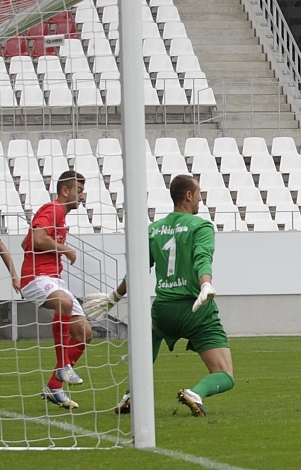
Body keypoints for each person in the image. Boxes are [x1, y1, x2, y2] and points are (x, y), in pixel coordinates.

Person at [83, 175, 232, 417]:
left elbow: (138, 270)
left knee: (153, 333)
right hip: (195, 309)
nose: (200, 200)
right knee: (225, 373)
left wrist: (114, 297)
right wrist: (206, 284)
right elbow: (202, 258)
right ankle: (195, 393)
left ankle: (132, 393)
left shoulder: (153, 230)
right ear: (188, 196)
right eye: (199, 194)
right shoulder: (201, 226)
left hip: (163, 310)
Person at [18, 170, 89, 410]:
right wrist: (65, 249)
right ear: (65, 191)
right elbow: (38, 239)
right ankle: (63, 367)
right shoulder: (54, 209)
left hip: (53, 278)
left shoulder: (58, 215)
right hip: (36, 277)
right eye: (79, 191)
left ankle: (53, 386)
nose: (83, 196)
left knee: (84, 333)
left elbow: (26, 242)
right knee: (64, 303)